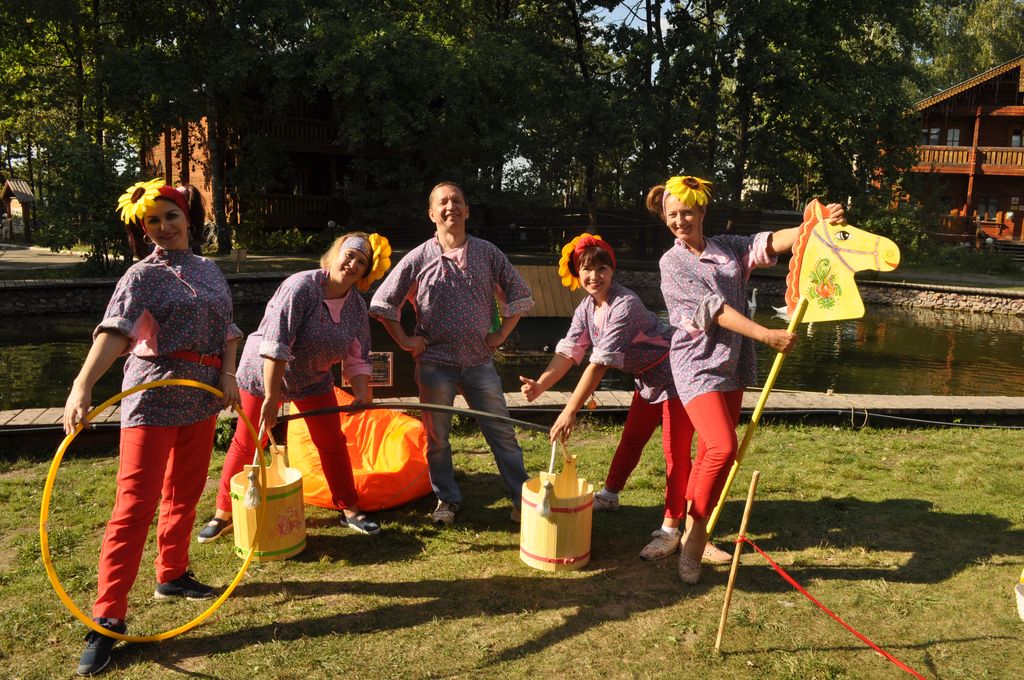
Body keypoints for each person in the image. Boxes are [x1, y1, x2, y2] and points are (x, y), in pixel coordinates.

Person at [63, 178, 242, 675]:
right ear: (143, 229)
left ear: (187, 219)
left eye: (170, 216)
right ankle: (107, 618)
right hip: (153, 397)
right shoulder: (140, 275)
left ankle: (173, 574)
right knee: (134, 506)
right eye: (152, 221)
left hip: (201, 396)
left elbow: (228, 329)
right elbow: (114, 332)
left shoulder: (209, 269)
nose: (163, 227)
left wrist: (228, 375)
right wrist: (82, 385)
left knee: (184, 493)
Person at [652, 175, 843, 584]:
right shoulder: (672, 262)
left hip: (733, 363)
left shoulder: (728, 247)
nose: (679, 221)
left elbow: (770, 242)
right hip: (696, 365)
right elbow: (714, 310)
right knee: (723, 446)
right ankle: (694, 541)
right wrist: (766, 335)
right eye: (672, 215)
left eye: (686, 212)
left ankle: (696, 528)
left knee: (713, 454)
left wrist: (816, 227)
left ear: (702, 210)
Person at [198, 232, 392, 543]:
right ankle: (224, 512)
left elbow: (358, 355)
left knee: (332, 441)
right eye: (349, 255)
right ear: (335, 254)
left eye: (361, 262)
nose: (353, 264)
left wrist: (362, 392)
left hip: (312, 379)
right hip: (263, 373)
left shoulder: (356, 306)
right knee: (249, 441)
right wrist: (271, 396)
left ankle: (349, 508)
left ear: (366, 272)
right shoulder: (301, 286)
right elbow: (277, 343)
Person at [519, 233, 697, 561]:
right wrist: (541, 385)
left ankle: (671, 530)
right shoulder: (587, 308)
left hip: (677, 374)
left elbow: (598, 364)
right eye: (586, 269)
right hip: (648, 378)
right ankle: (610, 495)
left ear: (613, 271)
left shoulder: (624, 305)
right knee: (632, 439)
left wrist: (570, 410)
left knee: (675, 453)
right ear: (577, 273)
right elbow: (570, 351)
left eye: (602, 268)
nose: (594, 276)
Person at [369, 181, 534, 525]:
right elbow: (383, 303)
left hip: (479, 363)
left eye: (456, 201)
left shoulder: (488, 253)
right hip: (434, 366)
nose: (450, 207)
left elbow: (519, 293)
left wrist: (501, 333)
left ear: (467, 210)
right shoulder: (418, 258)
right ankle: (447, 499)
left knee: (502, 433)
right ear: (432, 214)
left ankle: (523, 500)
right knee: (438, 438)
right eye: (442, 203)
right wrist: (405, 341)